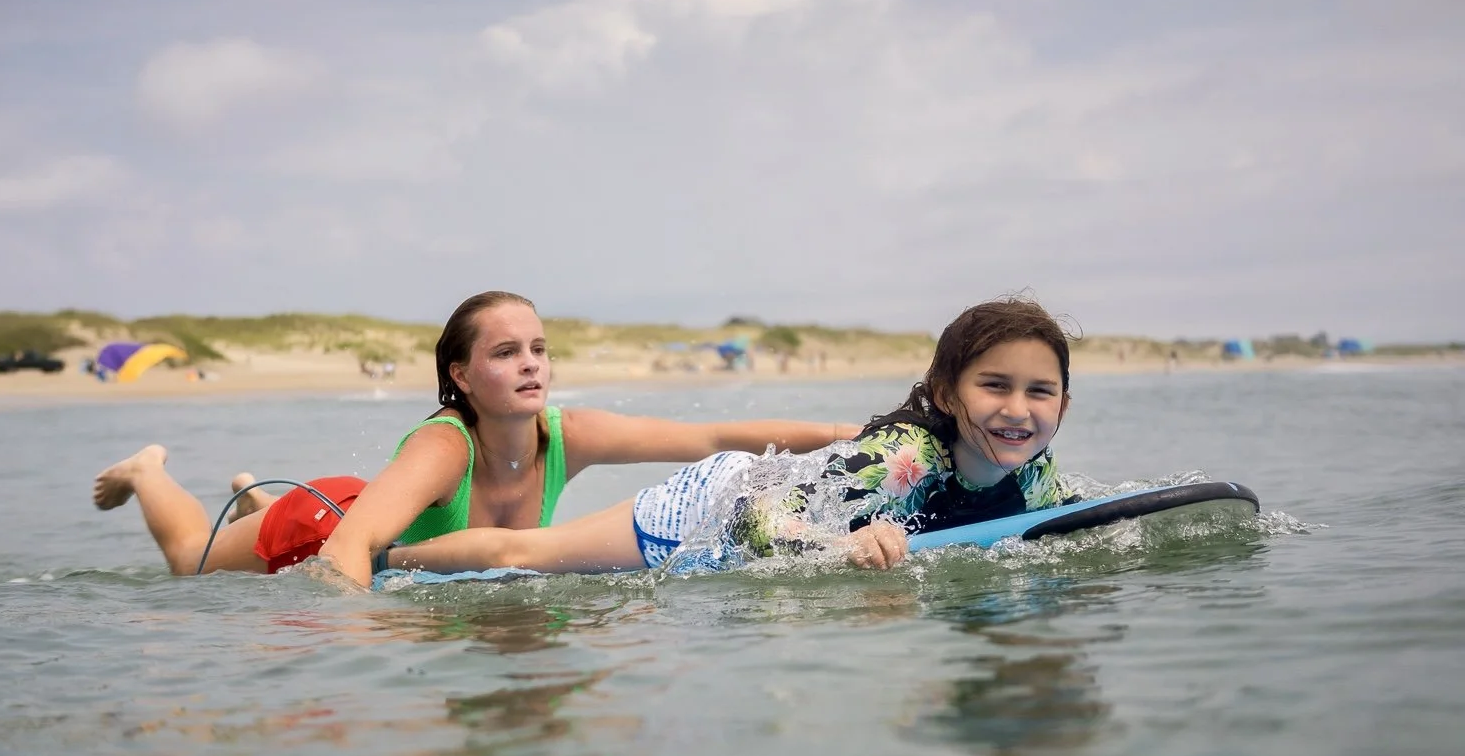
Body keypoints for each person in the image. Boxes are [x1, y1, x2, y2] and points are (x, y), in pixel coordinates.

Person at [92, 291, 855, 583]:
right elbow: (348, 552)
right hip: (325, 523)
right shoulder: (444, 446)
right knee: (187, 562)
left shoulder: (567, 433)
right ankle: (151, 469)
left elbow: (714, 434)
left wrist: (845, 432)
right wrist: (354, 666)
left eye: (538, 348)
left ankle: (255, 489)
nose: (530, 365)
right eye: (504, 352)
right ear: (459, 373)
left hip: (378, 509)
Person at [380, 296, 1073, 579]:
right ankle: (397, 558)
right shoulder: (901, 462)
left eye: (1040, 391)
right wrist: (844, 544)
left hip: (760, 516)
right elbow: (754, 516)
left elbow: (1069, 520)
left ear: (1063, 403)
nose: (1018, 411)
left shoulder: (1035, 475)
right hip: (714, 506)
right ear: (949, 393)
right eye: (995, 386)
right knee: (523, 555)